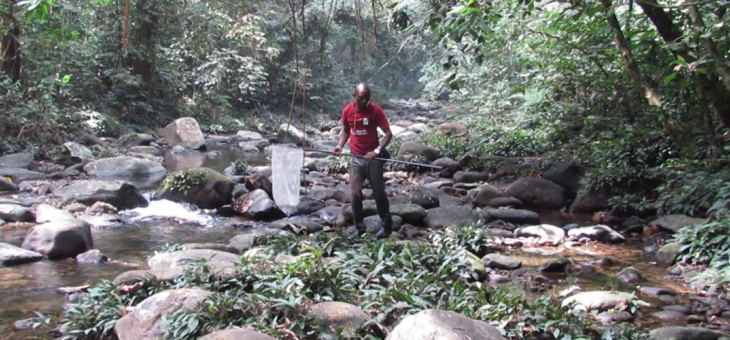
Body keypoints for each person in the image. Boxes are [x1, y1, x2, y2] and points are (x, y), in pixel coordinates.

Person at [333, 82, 393, 239]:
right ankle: (360, 229)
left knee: (378, 193)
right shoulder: (348, 110)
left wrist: (376, 151)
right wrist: (339, 146)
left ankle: (387, 226)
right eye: (361, 98)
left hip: (372, 158)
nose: (365, 101)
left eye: (367, 98)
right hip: (356, 158)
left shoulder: (375, 110)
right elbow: (346, 131)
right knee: (355, 195)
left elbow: (388, 134)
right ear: (355, 96)